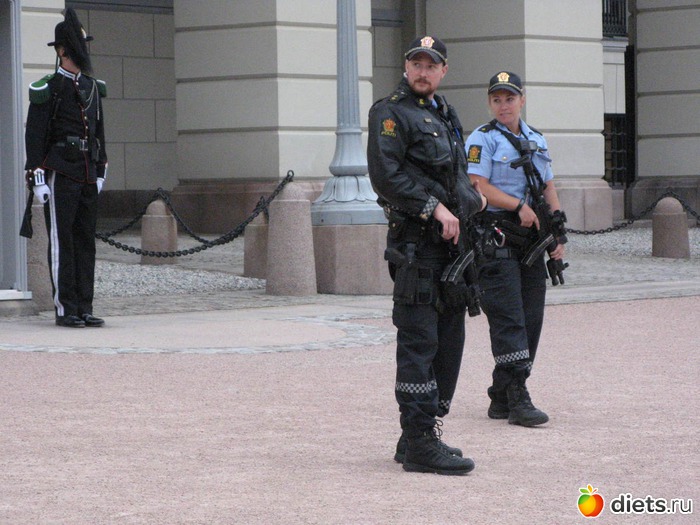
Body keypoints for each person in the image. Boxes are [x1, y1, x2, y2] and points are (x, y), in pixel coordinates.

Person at [368, 36, 486, 475]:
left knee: (450, 341)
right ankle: (419, 442)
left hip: (452, 248)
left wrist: (473, 202)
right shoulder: (390, 112)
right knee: (420, 342)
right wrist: (433, 207)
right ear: (406, 67)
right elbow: (386, 176)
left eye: (430, 65)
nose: (422, 71)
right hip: (416, 247)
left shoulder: (444, 113)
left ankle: (418, 433)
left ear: (443, 71)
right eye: (416, 63)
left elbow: (454, 174)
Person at [465, 71, 566, 426]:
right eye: (497, 99)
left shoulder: (536, 138)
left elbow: (548, 186)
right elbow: (477, 185)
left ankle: (501, 393)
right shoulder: (481, 139)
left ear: (522, 100)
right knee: (508, 318)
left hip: (531, 239)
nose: (503, 105)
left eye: (509, 98)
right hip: (497, 236)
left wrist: (557, 234)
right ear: (490, 103)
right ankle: (518, 396)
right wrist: (517, 205)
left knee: (531, 318)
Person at [24, 9, 108, 328]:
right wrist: (37, 177)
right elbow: (35, 136)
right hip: (61, 171)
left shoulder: (92, 87)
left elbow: (99, 132)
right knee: (63, 242)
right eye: (77, 45)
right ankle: (66, 308)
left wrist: (100, 170)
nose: (83, 50)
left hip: (86, 171)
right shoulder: (50, 88)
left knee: (85, 241)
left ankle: (84, 305)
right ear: (62, 51)